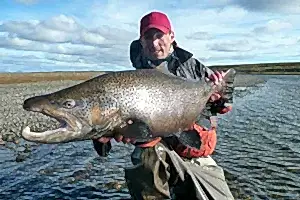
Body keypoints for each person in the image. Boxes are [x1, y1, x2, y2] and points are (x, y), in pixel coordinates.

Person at [92, 11, 235, 200]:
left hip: (195, 151)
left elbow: (224, 107)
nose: (154, 43)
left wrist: (219, 96)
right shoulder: (134, 79)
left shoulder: (193, 66)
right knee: (145, 152)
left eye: (159, 36)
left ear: (171, 37)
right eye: (148, 37)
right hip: (160, 151)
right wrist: (103, 136)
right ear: (141, 41)